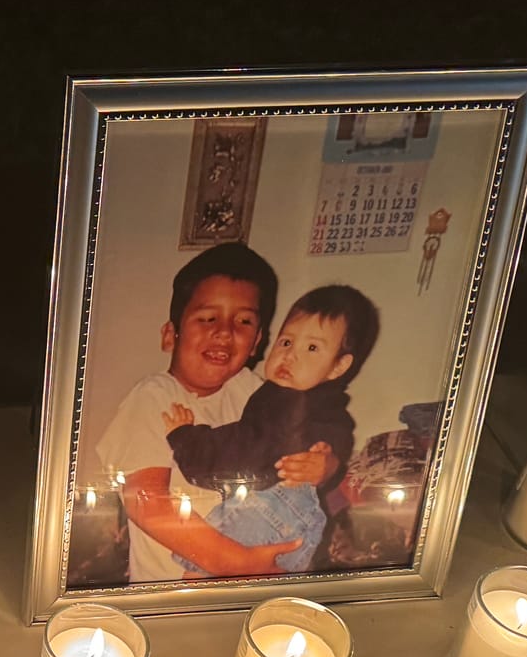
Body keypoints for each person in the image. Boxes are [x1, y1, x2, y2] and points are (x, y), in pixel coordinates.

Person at [93, 242, 334, 582]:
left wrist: (323, 465)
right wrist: (235, 562)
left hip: (254, 575)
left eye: (243, 321)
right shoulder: (154, 397)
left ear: (256, 342)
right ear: (170, 335)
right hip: (173, 594)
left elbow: (310, 447)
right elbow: (145, 500)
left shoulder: (257, 392)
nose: (224, 332)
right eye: (207, 318)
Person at [162, 284, 379, 574]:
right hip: (291, 521)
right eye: (286, 342)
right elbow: (332, 434)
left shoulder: (287, 402)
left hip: (267, 511)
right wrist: (330, 463)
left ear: (338, 367)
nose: (290, 356)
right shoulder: (311, 403)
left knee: (195, 586)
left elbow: (240, 448)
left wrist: (185, 438)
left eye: (312, 348)